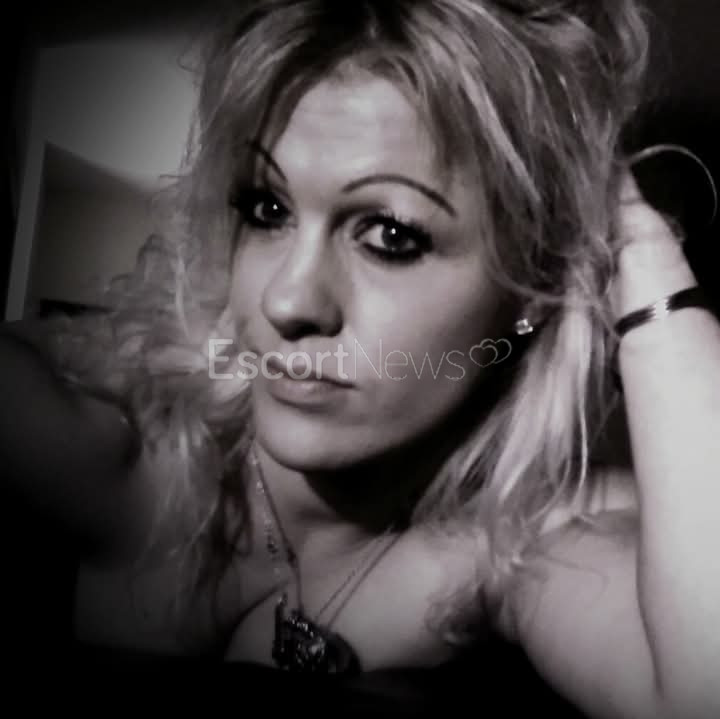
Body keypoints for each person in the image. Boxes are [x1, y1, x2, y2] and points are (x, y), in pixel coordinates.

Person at [2, 0, 720, 716]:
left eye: (389, 235)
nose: (288, 299)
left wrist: (647, 282)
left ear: (532, 289)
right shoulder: (111, 449)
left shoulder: (518, 540)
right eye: (268, 210)